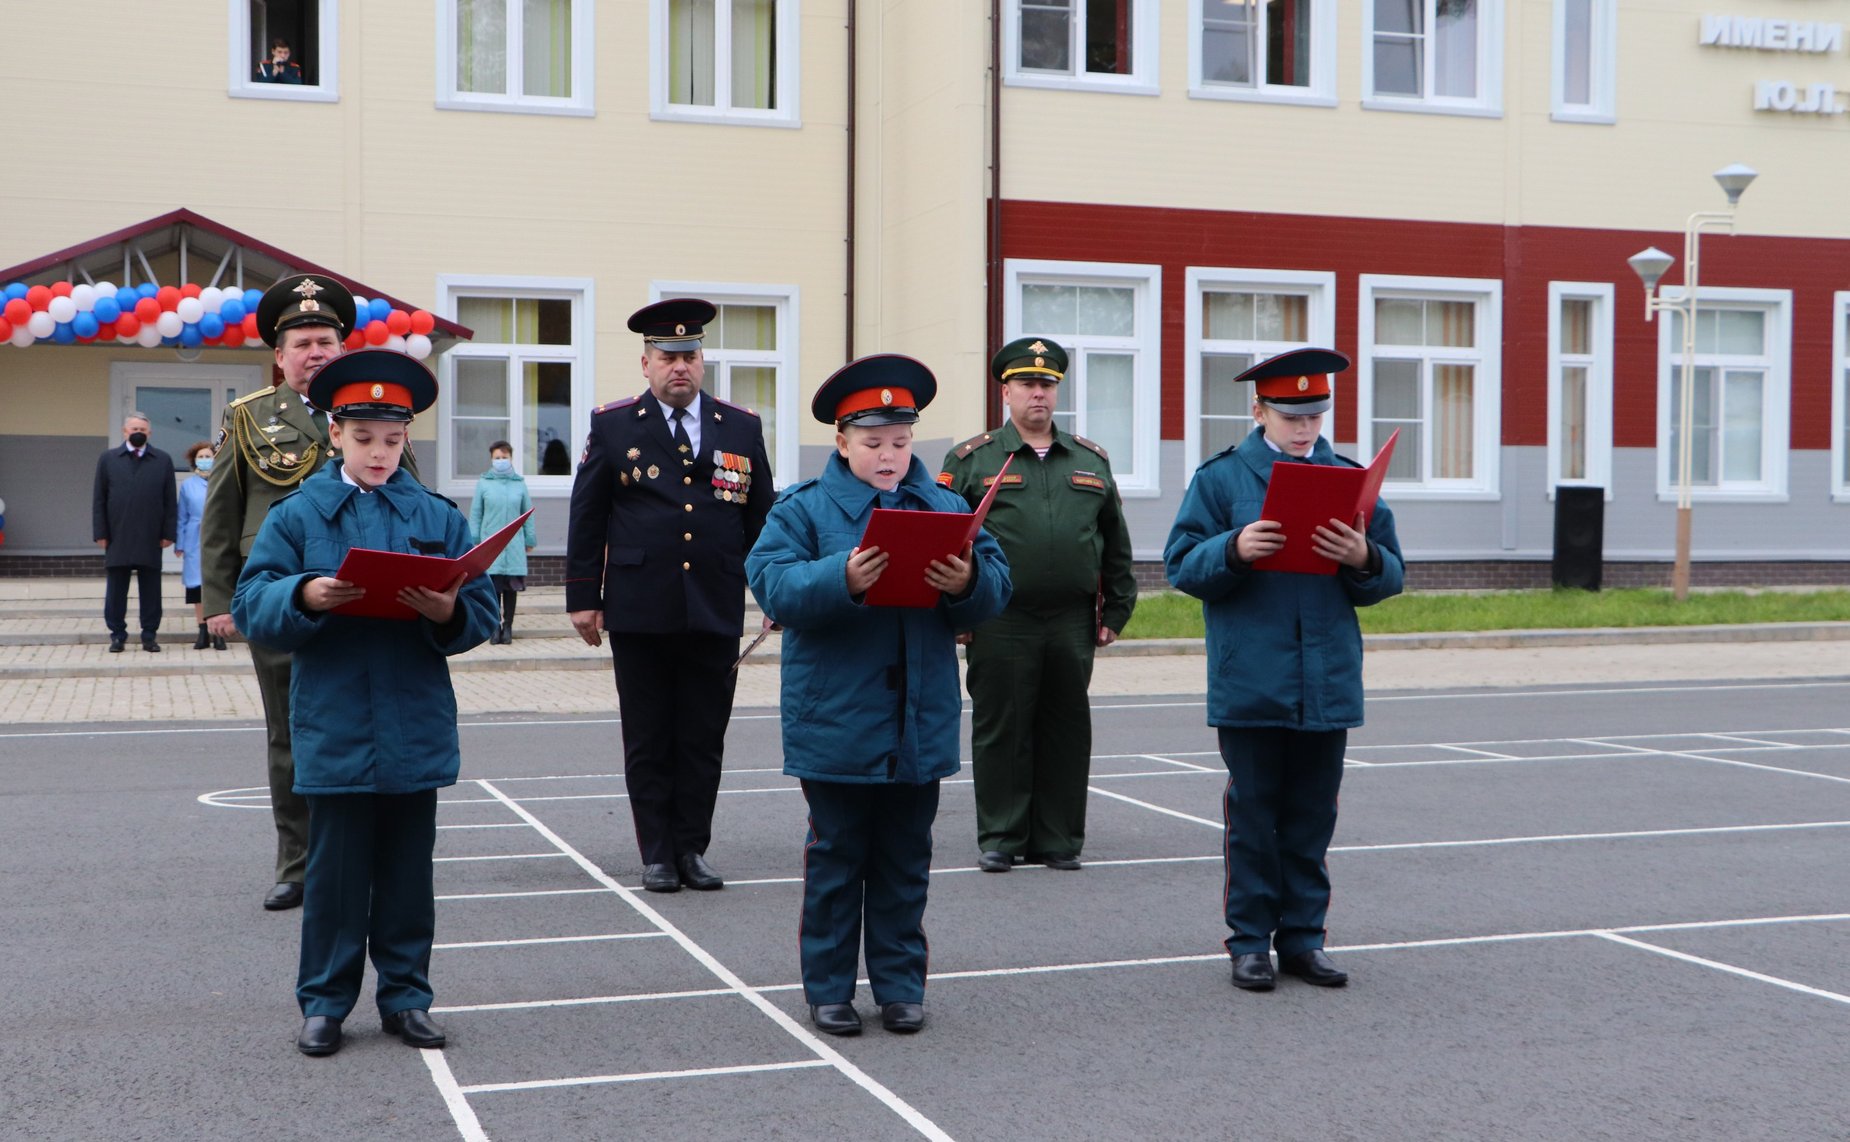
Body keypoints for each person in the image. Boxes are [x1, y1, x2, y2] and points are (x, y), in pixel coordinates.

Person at [232, 349, 498, 1058]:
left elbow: (481, 613)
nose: (380, 453)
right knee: (336, 878)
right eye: (364, 439)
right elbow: (251, 602)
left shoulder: (436, 514)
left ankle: (407, 997)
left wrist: (447, 612)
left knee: (410, 878)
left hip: (413, 721)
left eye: (393, 439)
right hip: (337, 720)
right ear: (335, 435)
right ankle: (324, 1004)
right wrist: (305, 594)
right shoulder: (299, 515)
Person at [747, 354, 1012, 1037]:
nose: (889, 457)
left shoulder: (949, 506)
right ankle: (830, 989)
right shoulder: (803, 509)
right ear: (841, 442)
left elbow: (994, 591)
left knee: (904, 859)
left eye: (900, 442)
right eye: (872, 443)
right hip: (835, 720)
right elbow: (772, 584)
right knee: (837, 859)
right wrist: (845, 576)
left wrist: (966, 585)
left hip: (917, 719)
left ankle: (899, 986)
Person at [1162, 348, 1403, 993]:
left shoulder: (1350, 479)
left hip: (1325, 679)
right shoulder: (1221, 479)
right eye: (1291, 415)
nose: (1305, 428)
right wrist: (1234, 549)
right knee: (1255, 818)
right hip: (1253, 680)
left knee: (1311, 819)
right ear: (1259, 409)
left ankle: (1302, 940)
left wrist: (1364, 557)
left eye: (1315, 415)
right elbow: (1181, 565)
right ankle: (1248, 945)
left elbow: (1391, 576)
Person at [202, 273, 420, 913]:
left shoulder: (370, 415)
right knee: (291, 731)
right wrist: (219, 600)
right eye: (302, 342)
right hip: (280, 597)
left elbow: (409, 497)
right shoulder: (248, 418)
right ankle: (297, 864)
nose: (315, 352)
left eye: (326, 339)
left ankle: (366, 855)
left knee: (366, 722)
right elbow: (221, 515)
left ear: (342, 347)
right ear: (280, 354)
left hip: (367, 596)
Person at [566, 298, 774, 894]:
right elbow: (588, 515)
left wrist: (774, 590)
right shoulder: (613, 425)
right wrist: (584, 595)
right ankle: (657, 852)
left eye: (688, 356)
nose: (678, 366)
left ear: (702, 361)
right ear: (646, 363)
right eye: (666, 357)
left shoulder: (741, 426)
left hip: (714, 602)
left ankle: (693, 848)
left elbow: (762, 519)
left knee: (704, 736)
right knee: (650, 735)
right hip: (640, 605)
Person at [939, 337, 1137, 873]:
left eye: (1047, 384)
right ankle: (1002, 834)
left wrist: (1116, 611)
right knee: (1003, 726)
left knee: (1065, 727)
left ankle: (1057, 839)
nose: (1038, 394)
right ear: (1006, 392)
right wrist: (957, 613)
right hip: (999, 616)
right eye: (1027, 384)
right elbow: (946, 540)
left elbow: (1114, 540)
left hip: (1071, 620)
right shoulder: (972, 460)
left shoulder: (1090, 459)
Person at [92, 412, 177, 653]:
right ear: (124, 431)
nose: (138, 432)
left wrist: (169, 532)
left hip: (151, 536)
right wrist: (100, 532)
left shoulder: (162, 460)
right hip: (117, 535)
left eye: (142, 429)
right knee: (116, 590)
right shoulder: (108, 459)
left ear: (149, 433)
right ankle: (117, 635)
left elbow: (170, 500)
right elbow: (99, 499)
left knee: (151, 591)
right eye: (133, 428)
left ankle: (149, 635)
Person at [469, 440, 538, 644]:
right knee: (493, 588)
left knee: (511, 589)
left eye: (504, 457)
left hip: (514, 544)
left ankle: (508, 626)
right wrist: (475, 540)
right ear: (491, 459)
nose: (501, 461)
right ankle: (494, 626)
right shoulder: (484, 483)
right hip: (491, 544)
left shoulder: (519, 483)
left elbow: (527, 513)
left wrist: (530, 538)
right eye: (497, 458)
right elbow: (476, 514)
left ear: (511, 458)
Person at [175, 441, 227, 650]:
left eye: (208, 456)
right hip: (194, 538)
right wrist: (179, 543)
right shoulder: (188, 485)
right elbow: (182, 516)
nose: (205, 460)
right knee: (197, 587)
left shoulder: (222, 480)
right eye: (201, 457)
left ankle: (220, 633)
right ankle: (202, 630)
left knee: (217, 583)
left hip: (219, 537)